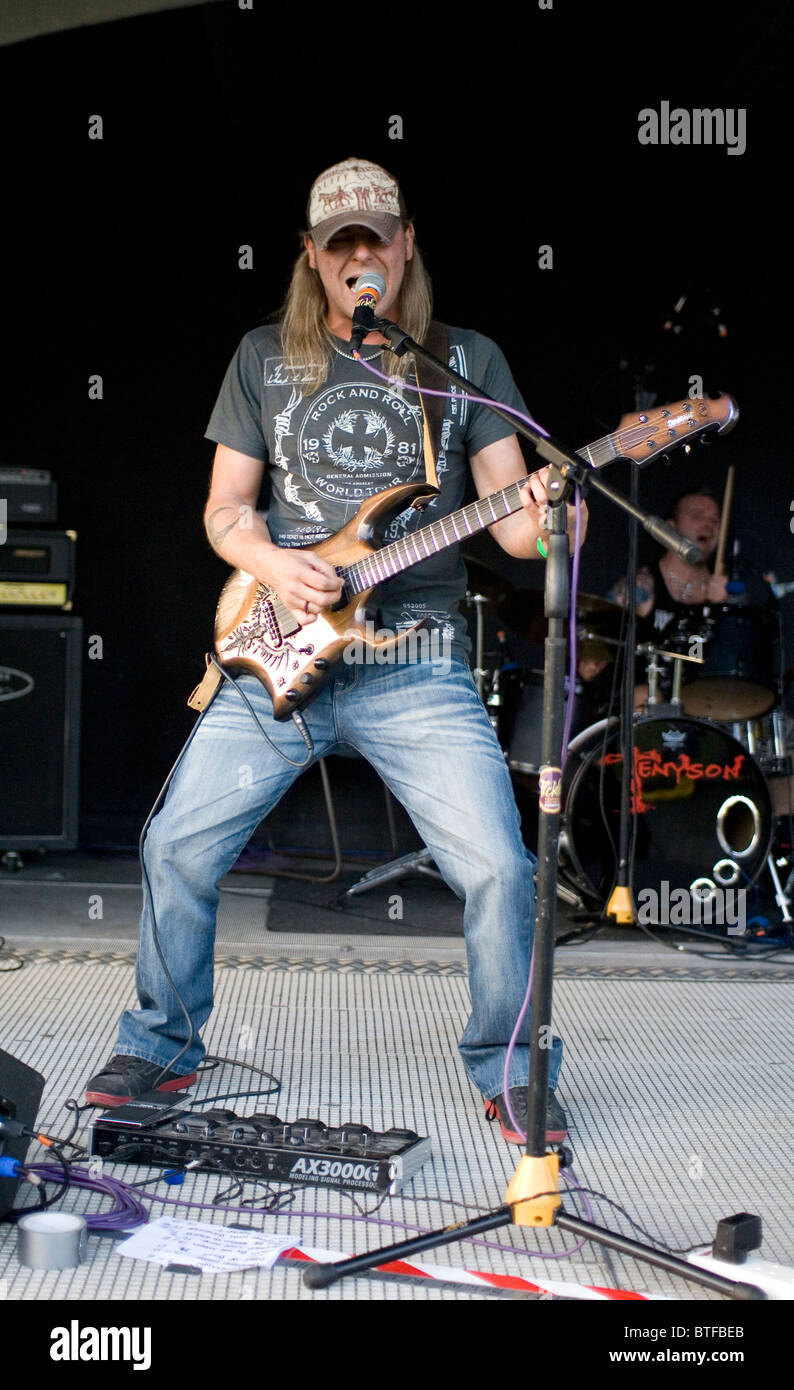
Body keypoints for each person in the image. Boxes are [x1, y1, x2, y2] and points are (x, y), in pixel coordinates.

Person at [84, 157, 586, 1146]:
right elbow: (224, 511)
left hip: (415, 661)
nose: (361, 257)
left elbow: (517, 539)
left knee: (496, 866)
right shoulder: (262, 355)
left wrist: (546, 512)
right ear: (312, 257)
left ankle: (509, 1064)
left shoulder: (462, 360)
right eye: (339, 243)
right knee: (174, 844)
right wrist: (273, 560)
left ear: (403, 248)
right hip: (283, 654)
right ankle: (162, 1044)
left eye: (377, 240)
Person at [608, 487, 729, 708]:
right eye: (697, 516)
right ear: (670, 528)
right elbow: (598, 639)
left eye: (715, 520)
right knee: (643, 696)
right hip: (649, 702)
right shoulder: (642, 584)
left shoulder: (725, 594)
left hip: (708, 702)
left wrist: (724, 607)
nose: (709, 525)